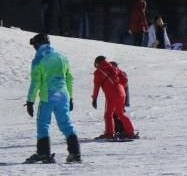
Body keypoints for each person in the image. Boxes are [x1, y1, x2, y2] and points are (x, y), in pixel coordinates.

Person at [24, 33, 82, 163]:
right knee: (66, 123)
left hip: (48, 95)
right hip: (63, 95)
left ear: (39, 44)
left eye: (34, 45)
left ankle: (43, 153)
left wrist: (30, 101)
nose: (34, 47)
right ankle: (75, 153)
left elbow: (36, 82)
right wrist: (70, 97)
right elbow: (69, 78)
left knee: (43, 123)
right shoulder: (62, 57)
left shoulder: (38, 60)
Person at [91, 56, 137, 140]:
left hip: (112, 94)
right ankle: (130, 132)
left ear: (97, 63)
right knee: (120, 113)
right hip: (122, 93)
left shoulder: (98, 72)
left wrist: (94, 99)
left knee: (108, 114)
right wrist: (120, 88)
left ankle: (109, 134)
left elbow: (96, 87)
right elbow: (125, 79)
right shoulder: (114, 68)